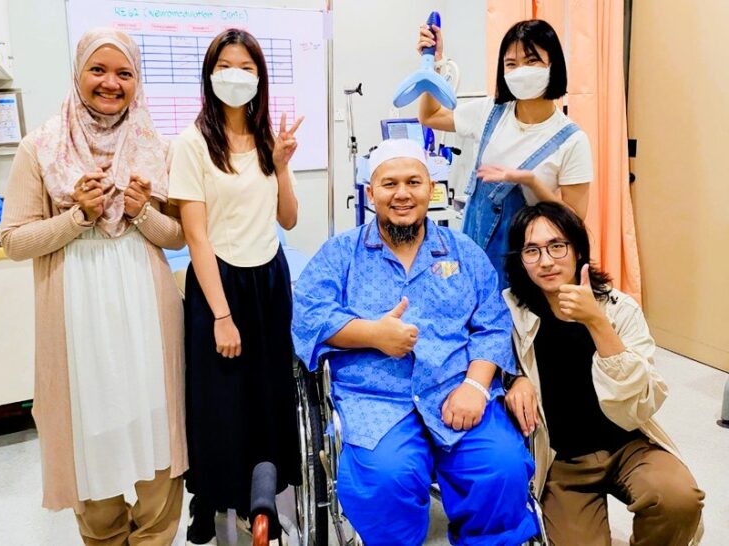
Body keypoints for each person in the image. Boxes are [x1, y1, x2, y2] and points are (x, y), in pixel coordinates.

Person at [292, 138, 540, 546]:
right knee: (385, 480)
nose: (402, 194)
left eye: (413, 182)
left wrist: (476, 387)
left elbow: (493, 326)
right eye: (389, 184)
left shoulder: (463, 253)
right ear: (371, 192)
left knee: (502, 468)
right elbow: (308, 317)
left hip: (458, 391)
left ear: (431, 189)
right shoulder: (341, 255)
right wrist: (372, 334)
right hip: (377, 401)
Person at [1, 28, 187, 544]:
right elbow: (14, 241)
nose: (111, 83)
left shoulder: (157, 147)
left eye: (124, 73)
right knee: (91, 447)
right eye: (98, 70)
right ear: (77, 74)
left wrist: (141, 212)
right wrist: (78, 216)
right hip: (77, 323)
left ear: (137, 81)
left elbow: (177, 235)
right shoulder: (40, 147)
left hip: (147, 318)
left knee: (157, 442)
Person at [167, 29, 303, 546]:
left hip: (269, 277)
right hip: (218, 281)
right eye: (226, 66)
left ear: (260, 78)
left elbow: (288, 219)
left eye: (247, 67)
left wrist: (282, 166)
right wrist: (222, 316)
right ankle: (210, 496)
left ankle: (257, 497)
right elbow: (196, 236)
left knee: (266, 394)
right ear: (209, 75)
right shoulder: (192, 143)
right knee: (220, 399)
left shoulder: (268, 140)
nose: (236, 76)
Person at [501, 202, 704, 546]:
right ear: (520, 259)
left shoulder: (619, 308)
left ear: (578, 250)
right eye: (532, 250)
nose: (546, 261)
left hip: (628, 443)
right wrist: (514, 379)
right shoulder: (510, 311)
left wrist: (596, 321)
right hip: (563, 461)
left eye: (557, 246)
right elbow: (489, 364)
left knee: (678, 499)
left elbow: (644, 400)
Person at [418, 19, 593, 288]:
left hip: (529, 268)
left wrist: (531, 182)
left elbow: (574, 219)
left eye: (531, 60)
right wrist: (433, 66)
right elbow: (429, 116)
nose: (520, 71)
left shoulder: (572, 140)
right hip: (474, 254)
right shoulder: (490, 112)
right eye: (511, 64)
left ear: (553, 64)